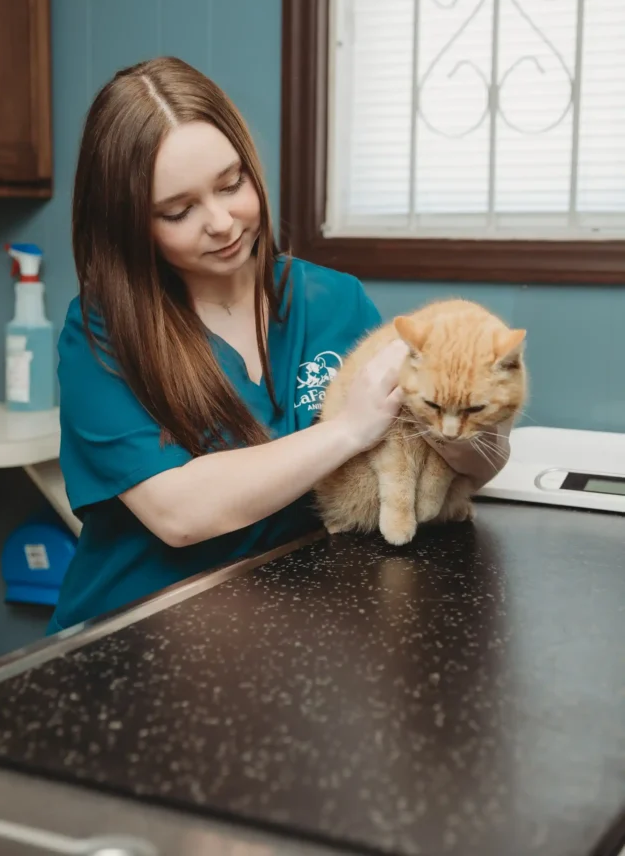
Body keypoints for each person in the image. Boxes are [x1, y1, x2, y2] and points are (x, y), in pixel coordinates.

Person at [47, 57, 509, 634]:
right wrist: (348, 429)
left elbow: (477, 462)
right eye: (179, 211)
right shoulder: (103, 334)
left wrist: (459, 414)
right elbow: (179, 513)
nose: (221, 222)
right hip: (137, 633)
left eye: (231, 184)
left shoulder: (335, 301)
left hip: (288, 619)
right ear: (130, 224)